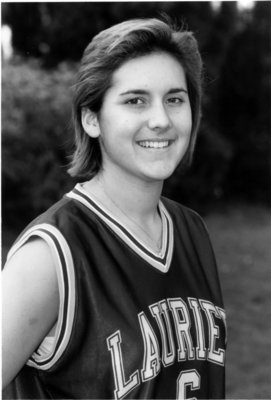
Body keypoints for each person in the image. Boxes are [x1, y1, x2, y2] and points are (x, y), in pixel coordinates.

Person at [2, 17, 226, 399]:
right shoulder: (52, 256)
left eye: (174, 99)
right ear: (92, 119)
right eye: (135, 100)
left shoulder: (192, 230)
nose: (160, 120)